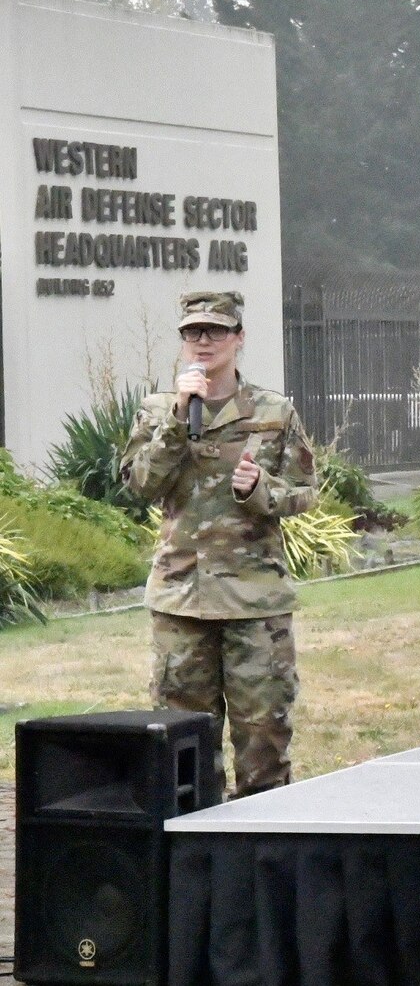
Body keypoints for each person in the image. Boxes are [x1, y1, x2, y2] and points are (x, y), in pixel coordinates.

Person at [121, 290, 319, 797]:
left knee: (264, 746)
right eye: (192, 332)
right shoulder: (159, 410)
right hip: (181, 602)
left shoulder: (273, 412)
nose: (203, 340)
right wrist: (176, 418)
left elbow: (305, 492)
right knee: (182, 751)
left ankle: (263, 856)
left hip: (256, 603)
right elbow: (140, 485)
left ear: (239, 338)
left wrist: (260, 491)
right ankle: (191, 860)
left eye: (215, 330)